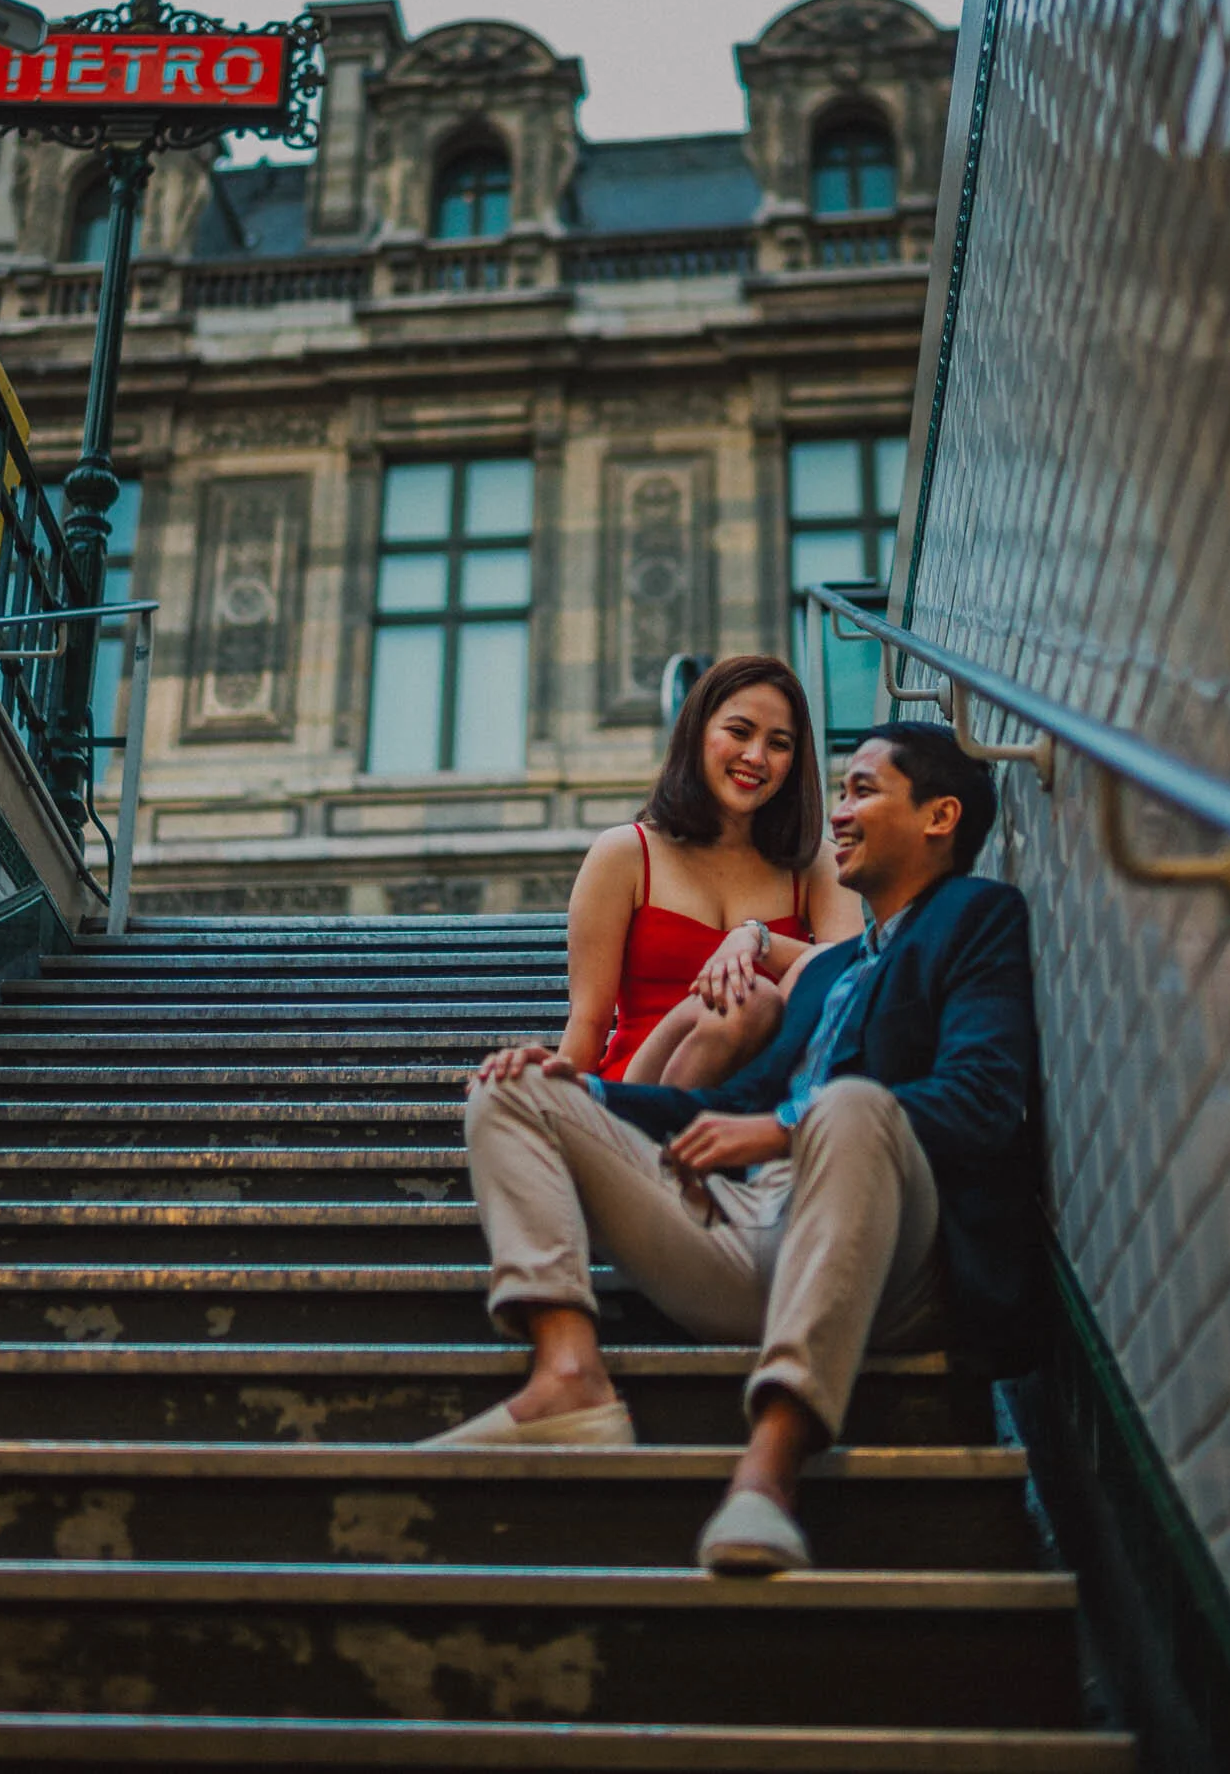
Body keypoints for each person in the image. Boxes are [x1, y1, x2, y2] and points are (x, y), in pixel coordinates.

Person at [431, 723, 1043, 1581]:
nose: (840, 814)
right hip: (753, 1234)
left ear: (940, 816)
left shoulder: (978, 917)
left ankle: (768, 1473)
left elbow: (982, 1101)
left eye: (863, 790)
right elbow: (728, 1106)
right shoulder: (831, 973)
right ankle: (570, 1373)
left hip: (888, 1255)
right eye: (840, 793)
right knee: (513, 1089)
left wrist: (792, 1128)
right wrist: (586, 1095)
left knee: (850, 1106)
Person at [479, 656, 859, 1101]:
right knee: (747, 997)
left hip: (756, 1106)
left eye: (779, 743)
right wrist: (556, 1103)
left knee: (758, 999)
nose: (756, 756)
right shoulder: (624, 854)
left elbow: (855, 979)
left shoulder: (817, 865)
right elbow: (589, 1022)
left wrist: (755, 939)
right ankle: (654, 1146)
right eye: (739, 732)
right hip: (638, 1092)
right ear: (696, 733)